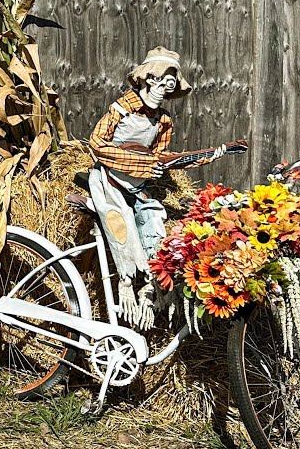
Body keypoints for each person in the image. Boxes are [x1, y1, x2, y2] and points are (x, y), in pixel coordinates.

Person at [87, 46, 224, 327]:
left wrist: (203, 157)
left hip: (138, 187)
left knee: (155, 223)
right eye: (159, 80)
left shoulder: (163, 121)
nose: (163, 87)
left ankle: (149, 290)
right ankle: (125, 283)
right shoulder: (120, 109)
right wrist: (137, 163)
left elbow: (159, 156)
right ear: (147, 79)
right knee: (120, 224)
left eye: (170, 84)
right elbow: (97, 144)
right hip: (110, 181)